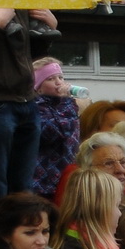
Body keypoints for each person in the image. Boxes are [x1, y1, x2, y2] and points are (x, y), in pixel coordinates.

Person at [0, 7, 59, 195]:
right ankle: (1, 223)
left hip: (27, 101)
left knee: (24, 184)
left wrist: (48, 30)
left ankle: (23, 223)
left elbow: (28, 58)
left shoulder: (21, 6)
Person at [30, 59, 80, 199]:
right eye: (51, 79)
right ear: (38, 87)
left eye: (60, 77)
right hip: (44, 184)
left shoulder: (66, 106)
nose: (59, 82)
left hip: (67, 180)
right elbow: (55, 132)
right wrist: (67, 101)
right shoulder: (36, 107)